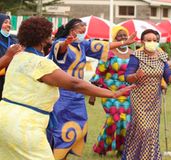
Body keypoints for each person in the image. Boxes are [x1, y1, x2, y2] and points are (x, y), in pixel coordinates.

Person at [0, 16, 134, 160]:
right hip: (26, 126)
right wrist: (113, 94)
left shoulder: (16, 56)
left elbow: (99, 46)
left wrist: (7, 56)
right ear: (45, 38)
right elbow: (75, 84)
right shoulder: (43, 64)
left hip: (4, 119)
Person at [46, 19, 136, 160]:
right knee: (59, 127)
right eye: (81, 28)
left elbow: (104, 46)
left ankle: (62, 155)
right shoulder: (60, 42)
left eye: (85, 29)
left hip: (77, 93)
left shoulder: (82, 45)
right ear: (72, 29)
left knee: (80, 126)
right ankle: (55, 155)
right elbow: (60, 49)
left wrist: (125, 43)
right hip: (61, 93)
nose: (84, 31)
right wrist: (66, 43)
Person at [122, 29, 171, 160]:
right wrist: (135, 75)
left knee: (151, 131)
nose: (152, 42)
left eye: (155, 40)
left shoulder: (162, 56)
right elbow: (127, 77)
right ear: (142, 42)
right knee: (143, 128)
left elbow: (168, 77)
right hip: (139, 98)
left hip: (154, 99)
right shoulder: (136, 56)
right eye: (149, 40)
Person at [89, 26, 133, 156]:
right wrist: (93, 94)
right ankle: (101, 147)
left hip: (127, 93)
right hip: (109, 92)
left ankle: (122, 149)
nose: (123, 38)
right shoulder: (108, 52)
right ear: (115, 38)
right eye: (119, 36)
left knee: (125, 122)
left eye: (125, 35)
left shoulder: (133, 53)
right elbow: (99, 73)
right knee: (114, 119)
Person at [0, 13, 17, 100]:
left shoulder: (14, 40)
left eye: (9, 23)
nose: (9, 25)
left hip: (11, 81)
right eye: (5, 22)